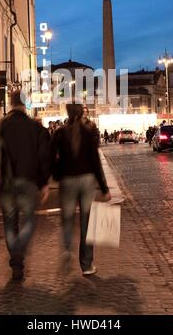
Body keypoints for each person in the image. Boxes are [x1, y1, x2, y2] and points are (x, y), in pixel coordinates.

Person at [51, 103, 111, 276]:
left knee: (68, 219)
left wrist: (55, 175)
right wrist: (104, 186)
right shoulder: (89, 132)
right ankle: (86, 264)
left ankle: (67, 250)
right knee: (87, 222)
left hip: (67, 179)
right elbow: (95, 160)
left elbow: (51, 156)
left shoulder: (60, 132)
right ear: (81, 114)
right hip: (86, 179)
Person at [0, 90, 51, 282]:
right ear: (25, 103)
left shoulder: (1, 126)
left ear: (11, 103)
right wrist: (44, 182)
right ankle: (19, 252)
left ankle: (16, 257)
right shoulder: (35, 128)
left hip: (6, 180)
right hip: (28, 180)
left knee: (9, 223)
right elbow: (44, 156)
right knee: (29, 220)